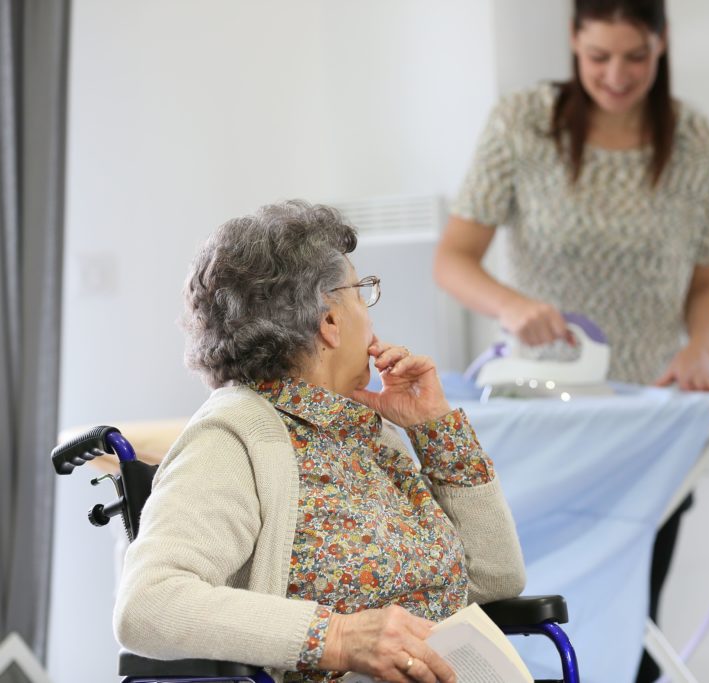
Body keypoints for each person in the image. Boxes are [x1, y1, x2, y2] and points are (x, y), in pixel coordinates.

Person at [433, 1, 709, 680]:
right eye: (598, 56)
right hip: (548, 421)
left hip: (646, 426)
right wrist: (513, 307)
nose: (617, 75)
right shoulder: (522, 124)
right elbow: (452, 258)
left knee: (633, 624)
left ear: (663, 46)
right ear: (573, 43)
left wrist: (699, 351)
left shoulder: (694, 140)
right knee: (531, 619)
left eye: (636, 57)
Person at [114, 200, 526, 683]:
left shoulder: (367, 434)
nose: (370, 319)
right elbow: (149, 602)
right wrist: (337, 638)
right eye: (361, 293)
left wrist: (434, 429)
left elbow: (496, 579)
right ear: (328, 322)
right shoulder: (233, 438)